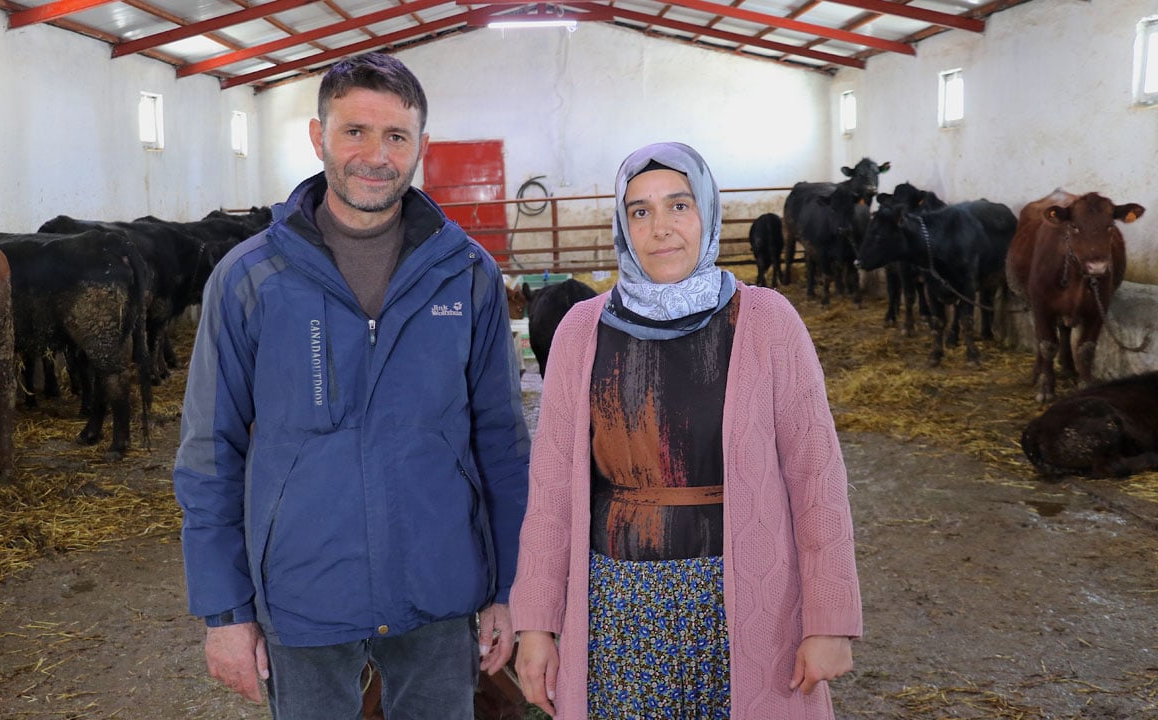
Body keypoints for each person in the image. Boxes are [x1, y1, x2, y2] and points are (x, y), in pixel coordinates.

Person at [172, 52, 530, 720]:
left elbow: (504, 444)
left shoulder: (467, 275)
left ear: (420, 146)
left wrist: (512, 587)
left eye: (396, 136)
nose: (376, 155)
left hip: (439, 584)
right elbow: (209, 453)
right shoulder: (252, 279)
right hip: (304, 591)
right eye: (355, 132)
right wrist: (224, 611)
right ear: (318, 137)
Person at [510, 142, 862, 719]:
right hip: (618, 607)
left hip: (745, 600)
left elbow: (816, 479)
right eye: (640, 211)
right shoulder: (582, 331)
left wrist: (828, 620)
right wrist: (537, 624)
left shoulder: (767, 322)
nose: (661, 228)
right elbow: (550, 493)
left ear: (707, 212)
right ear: (623, 226)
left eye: (679, 205)